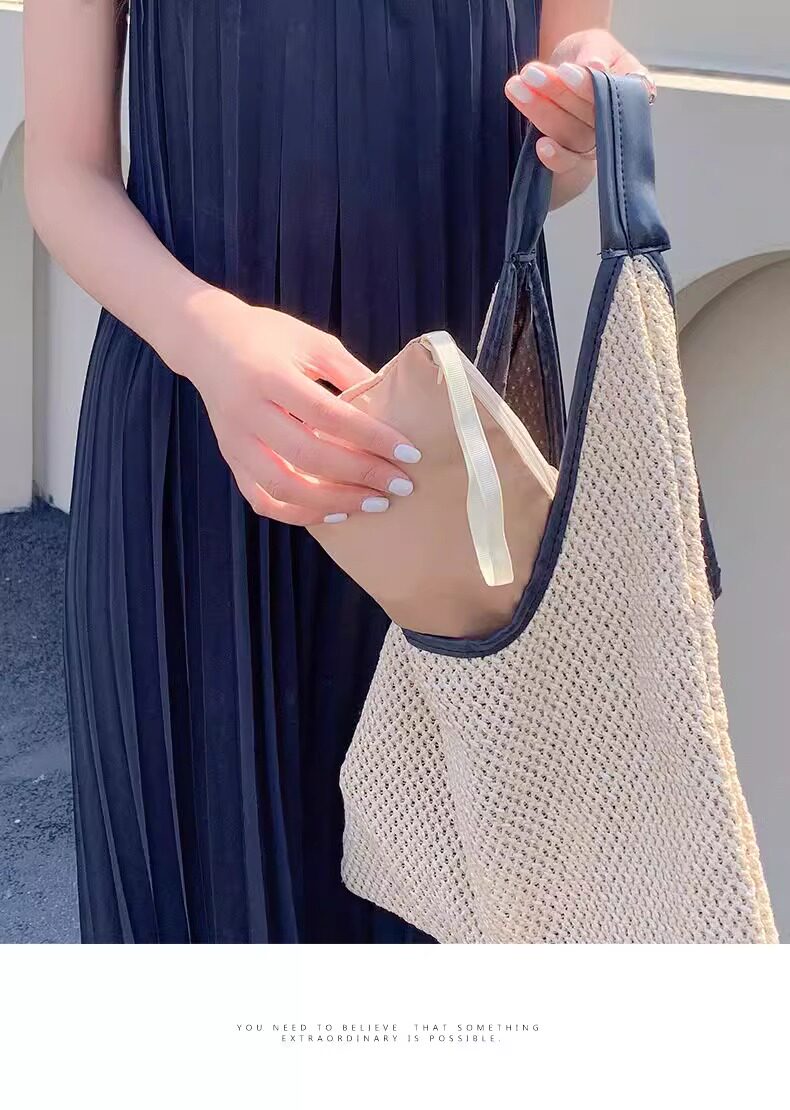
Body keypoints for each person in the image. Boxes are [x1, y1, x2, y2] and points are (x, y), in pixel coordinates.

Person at [23, 1, 647, 943]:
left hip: (449, 467)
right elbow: (65, 176)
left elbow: (539, 154)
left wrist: (580, 113)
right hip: (191, 451)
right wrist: (207, 338)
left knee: (454, 925)